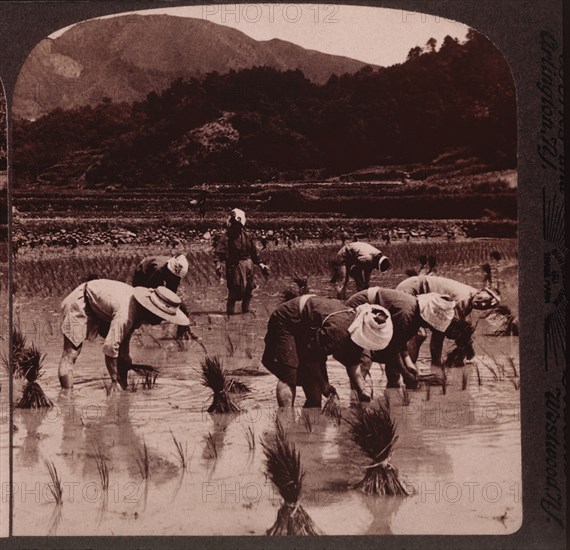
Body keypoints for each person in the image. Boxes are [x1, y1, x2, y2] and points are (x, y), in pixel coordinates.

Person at [262, 294, 393, 407]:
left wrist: (362, 390)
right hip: (288, 320)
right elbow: (311, 358)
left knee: (315, 398)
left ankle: (310, 423)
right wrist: (325, 385)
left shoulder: (356, 331)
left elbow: (353, 364)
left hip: (310, 328)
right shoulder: (339, 332)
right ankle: (285, 422)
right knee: (289, 374)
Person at [58, 279, 190, 390]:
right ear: (152, 311)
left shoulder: (139, 309)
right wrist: (114, 381)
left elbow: (123, 345)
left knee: (124, 358)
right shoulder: (126, 315)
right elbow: (110, 348)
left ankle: (124, 386)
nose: (161, 321)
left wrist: (125, 361)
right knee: (71, 353)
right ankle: (67, 399)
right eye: (160, 316)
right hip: (81, 301)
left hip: (102, 305)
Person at [346, 287, 458, 388]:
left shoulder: (415, 316)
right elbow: (393, 349)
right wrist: (405, 373)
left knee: (393, 366)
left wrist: (409, 364)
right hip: (357, 309)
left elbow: (400, 342)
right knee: (364, 359)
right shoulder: (406, 315)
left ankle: (391, 390)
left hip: (375, 317)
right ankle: (356, 397)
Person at [396, 275, 501, 366]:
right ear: (481, 291)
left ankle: (408, 364)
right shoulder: (462, 299)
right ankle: (405, 366)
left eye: (487, 305)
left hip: (416, 290)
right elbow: (439, 332)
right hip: (412, 289)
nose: (482, 305)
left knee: (423, 333)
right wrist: (437, 363)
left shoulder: (470, 296)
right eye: (485, 300)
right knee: (419, 334)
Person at [132, 254, 201, 341]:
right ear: (168, 270)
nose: (174, 279)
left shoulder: (176, 273)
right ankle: (135, 327)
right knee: (145, 305)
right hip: (142, 274)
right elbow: (147, 292)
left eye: (176, 278)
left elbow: (172, 296)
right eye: (172, 277)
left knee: (177, 304)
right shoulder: (157, 270)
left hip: (162, 271)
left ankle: (184, 331)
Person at [214, 208, 270, 315]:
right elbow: (218, 253)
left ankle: (246, 310)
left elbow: (254, 253)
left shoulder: (248, 236)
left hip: (248, 265)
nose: (236, 226)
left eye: (238, 224)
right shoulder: (226, 237)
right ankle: (230, 313)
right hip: (234, 266)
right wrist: (218, 265)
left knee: (249, 289)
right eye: (234, 224)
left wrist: (261, 264)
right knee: (234, 290)